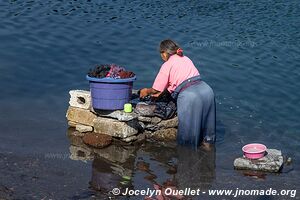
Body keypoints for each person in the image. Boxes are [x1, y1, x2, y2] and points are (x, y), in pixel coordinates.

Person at [140, 39, 216, 149]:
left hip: (190, 96)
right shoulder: (185, 58)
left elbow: (156, 89)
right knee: (207, 137)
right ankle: (209, 158)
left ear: (164, 53)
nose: (161, 57)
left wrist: (146, 91)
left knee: (187, 141)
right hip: (207, 91)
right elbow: (178, 81)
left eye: (161, 54)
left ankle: (186, 160)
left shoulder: (167, 64)